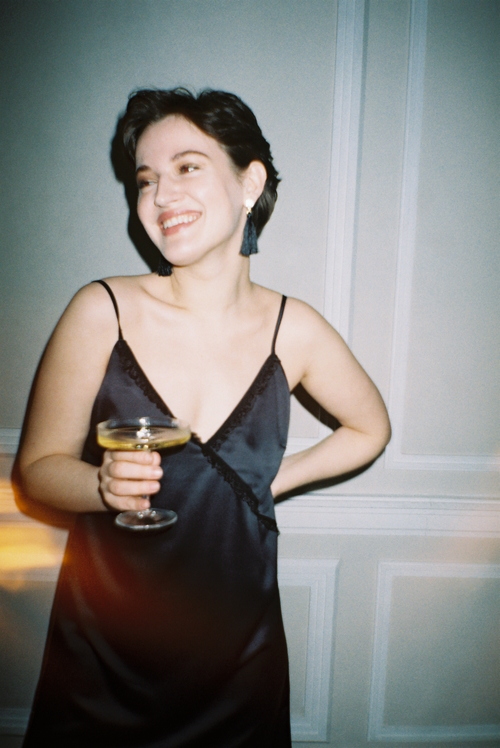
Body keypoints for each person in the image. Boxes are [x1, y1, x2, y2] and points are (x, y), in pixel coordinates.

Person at [18, 88, 391, 747]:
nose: (161, 195)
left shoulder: (294, 328)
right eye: (145, 180)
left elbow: (371, 429)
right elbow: (38, 470)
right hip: (102, 656)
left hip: (237, 663)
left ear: (250, 182)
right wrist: (101, 485)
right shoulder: (101, 310)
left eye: (187, 167)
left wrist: (266, 481)